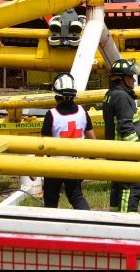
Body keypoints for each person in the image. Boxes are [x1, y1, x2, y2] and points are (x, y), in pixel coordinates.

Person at [40, 72, 96, 210]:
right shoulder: (83, 112)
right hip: (76, 163)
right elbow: (93, 140)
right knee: (76, 197)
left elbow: (43, 145)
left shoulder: (51, 115)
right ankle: (88, 223)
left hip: (55, 165)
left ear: (56, 95)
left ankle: (49, 228)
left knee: (51, 201)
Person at [103, 58, 140, 213]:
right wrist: (136, 151)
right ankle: (126, 220)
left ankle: (115, 220)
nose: (133, 79)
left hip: (117, 152)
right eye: (130, 76)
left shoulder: (112, 94)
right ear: (121, 78)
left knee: (118, 187)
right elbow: (125, 127)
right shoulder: (121, 97)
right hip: (126, 153)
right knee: (132, 186)